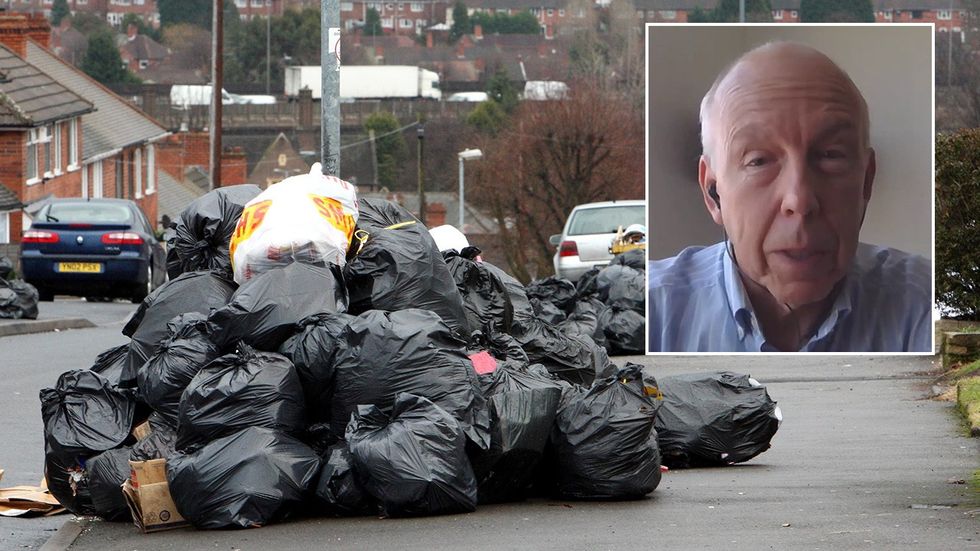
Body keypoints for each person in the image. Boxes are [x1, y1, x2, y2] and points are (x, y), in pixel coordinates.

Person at [647, 42, 931, 352]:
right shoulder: (650, 313)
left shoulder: (925, 307)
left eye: (830, 155)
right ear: (713, 193)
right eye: (758, 161)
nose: (800, 199)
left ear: (866, 181)